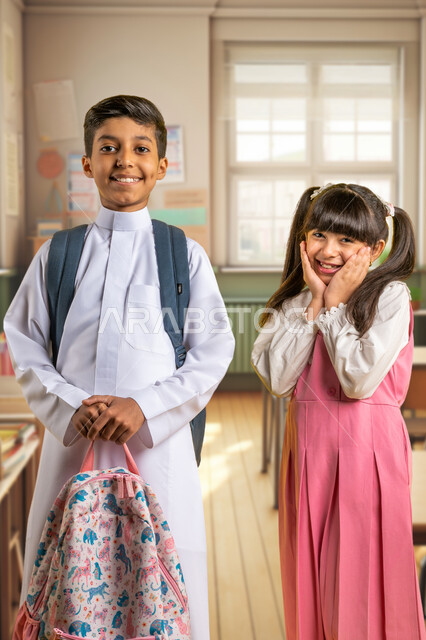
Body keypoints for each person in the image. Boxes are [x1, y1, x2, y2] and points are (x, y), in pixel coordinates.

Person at [4, 94, 235, 639]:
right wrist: (68, 404)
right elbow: (25, 341)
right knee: (69, 586)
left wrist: (144, 406)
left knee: (165, 587)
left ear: (161, 164)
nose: (124, 160)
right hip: (72, 450)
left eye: (140, 148)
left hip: (158, 450)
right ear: (88, 164)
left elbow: (212, 350)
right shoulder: (58, 255)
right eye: (108, 148)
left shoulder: (184, 255)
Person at [251, 183, 426, 639]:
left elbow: (358, 381)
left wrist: (334, 307)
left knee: (363, 584)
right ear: (302, 239)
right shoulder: (294, 301)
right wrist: (312, 303)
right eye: (319, 235)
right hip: (308, 457)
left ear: (375, 249)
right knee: (310, 582)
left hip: (366, 457)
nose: (329, 251)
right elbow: (277, 379)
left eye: (346, 240)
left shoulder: (389, 297)